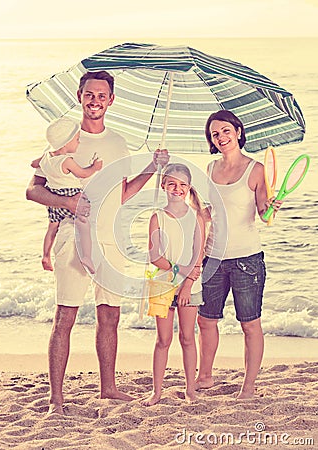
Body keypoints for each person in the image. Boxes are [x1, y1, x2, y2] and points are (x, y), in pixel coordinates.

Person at [26, 70, 169, 415]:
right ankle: (56, 399)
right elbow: (33, 190)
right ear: (80, 95)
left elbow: (122, 194)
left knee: (110, 315)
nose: (95, 101)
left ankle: (108, 388)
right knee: (65, 316)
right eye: (89, 94)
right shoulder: (63, 140)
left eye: (102, 96)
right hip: (71, 237)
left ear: (111, 100)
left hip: (110, 238)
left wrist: (152, 166)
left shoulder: (118, 144)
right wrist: (68, 203)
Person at [195, 110, 282, 399]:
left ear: (238, 131)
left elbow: (262, 213)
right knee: (205, 320)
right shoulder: (209, 169)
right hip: (213, 258)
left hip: (247, 260)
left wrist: (272, 207)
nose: (221, 137)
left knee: (249, 324)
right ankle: (205, 376)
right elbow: (206, 215)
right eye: (215, 134)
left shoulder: (255, 169)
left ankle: (248, 386)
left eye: (225, 131)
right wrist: (187, 199)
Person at [142, 163, 206, 406]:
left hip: (190, 285)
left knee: (188, 337)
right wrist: (176, 270)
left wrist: (187, 284)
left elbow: (198, 255)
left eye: (182, 185)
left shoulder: (196, 217)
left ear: (188, 188)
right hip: (161, 285)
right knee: (163, 340)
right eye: (172, 184)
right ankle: (156, 392)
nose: (177, 189)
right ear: (163, 186)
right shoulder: (157, 217)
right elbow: (154, 256)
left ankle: (190, 390)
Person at [31, 117, 103, 273]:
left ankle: (45, 255)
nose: (78, 142)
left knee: (52, 228)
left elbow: (33, 163)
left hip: (54, 199)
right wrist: (95, 167)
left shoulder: (46, 157)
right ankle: (87, 257)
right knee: (84, 224)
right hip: (72, 196)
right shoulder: (67, 161)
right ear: (66, 142)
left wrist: (41, 162)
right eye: (76, 139)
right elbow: (83, 174)